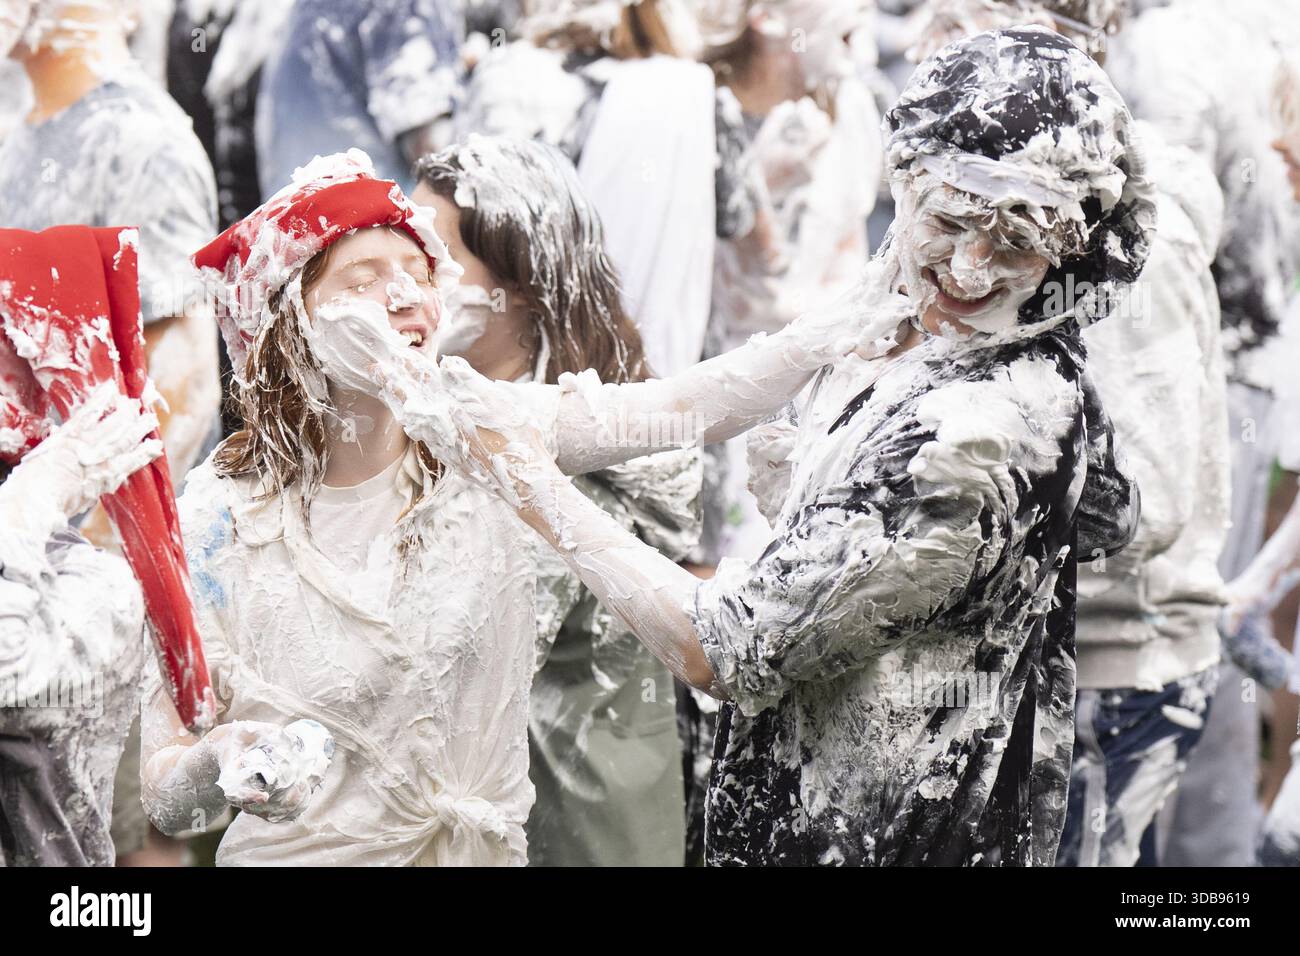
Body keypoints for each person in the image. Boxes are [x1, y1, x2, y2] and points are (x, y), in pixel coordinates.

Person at [331, 27, 1151, 866]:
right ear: (906, 181)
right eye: (949, 221)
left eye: (1017, 244)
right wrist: (441, 400)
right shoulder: (908, 300)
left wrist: (528, 482)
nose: (972, 269)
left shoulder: (989, 427)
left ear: (1075, 248)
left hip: (894, 827)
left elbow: (727, 649)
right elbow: (677, 407)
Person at [142, 149, 856, 865]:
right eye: (363, 279)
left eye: (419, 273)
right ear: (288, 325)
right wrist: (218, 762)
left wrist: (838, 329)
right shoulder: (217, 520)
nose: (405, 296)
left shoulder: (485, 425)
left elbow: (683, 407)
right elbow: (167, 798)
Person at [911, 0, 1231, 870]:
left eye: (956, 25)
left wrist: (932, 542)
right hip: (1044, 657)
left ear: (1050, 39)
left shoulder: (1124, 235)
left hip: (1115, 671)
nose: (923, 48)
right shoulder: (1002, 200)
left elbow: (1148, 502)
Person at [412, 136, 701, 866]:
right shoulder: (482, 415)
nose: (408, 284)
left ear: (520, 285)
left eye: (436, 261)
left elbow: (440, 673)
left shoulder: (554, 468)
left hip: (577, 829)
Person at [1107, 0, 1300, 867]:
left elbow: (1162, 224)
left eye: (1289, 140)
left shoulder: (1177, 41)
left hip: (1207, 379)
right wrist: (1256, 587)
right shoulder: (1242, 31)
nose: (1279, 156)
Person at [255, 0, 465, 195]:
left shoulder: (305, 9)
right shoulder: (406, 6)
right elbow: (430, 144)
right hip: (367, 216)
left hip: (292, 212)